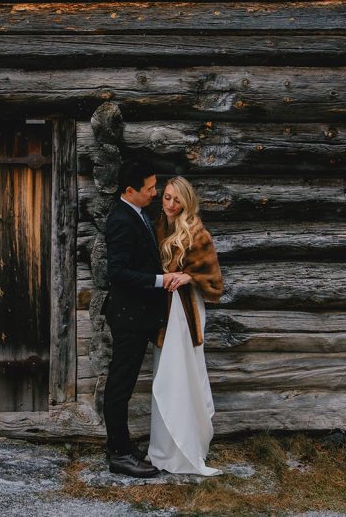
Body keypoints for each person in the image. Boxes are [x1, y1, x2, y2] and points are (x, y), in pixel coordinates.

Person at [102, 161, 187, 478]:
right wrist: (160, 280)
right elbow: (118, 273)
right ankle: (119, 454)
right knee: (120, 385)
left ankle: (120, 444)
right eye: (149, 188)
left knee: (123, 382)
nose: (155, 192)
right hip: (128, 316)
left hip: (137, 316)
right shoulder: (121, 220)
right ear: (129, 191)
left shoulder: (134, 213)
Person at [147, 176, 224, 476]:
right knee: (165, 376)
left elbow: (215, 281)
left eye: (176, 200)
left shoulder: (197, 232)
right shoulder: (157, 227)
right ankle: (163, 450)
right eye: (166, 197)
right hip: (163, 313)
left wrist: (189, 276)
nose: (170, 204)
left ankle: (185, 450)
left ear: (187, 201)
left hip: (186, 312)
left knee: (184, 375)